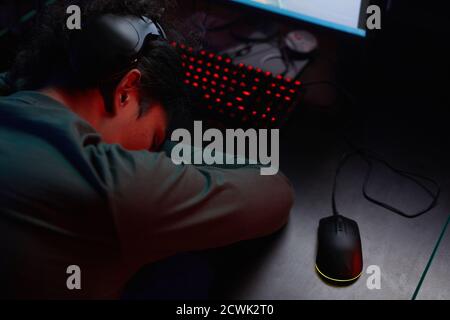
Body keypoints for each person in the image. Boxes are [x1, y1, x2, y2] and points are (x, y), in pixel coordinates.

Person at [0, 0, 294, 299]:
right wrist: (166, 153)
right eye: (154, 140)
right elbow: (274, 191)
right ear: (126, 92)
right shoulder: (113, 183)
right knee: (190, 272)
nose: (148, 156)